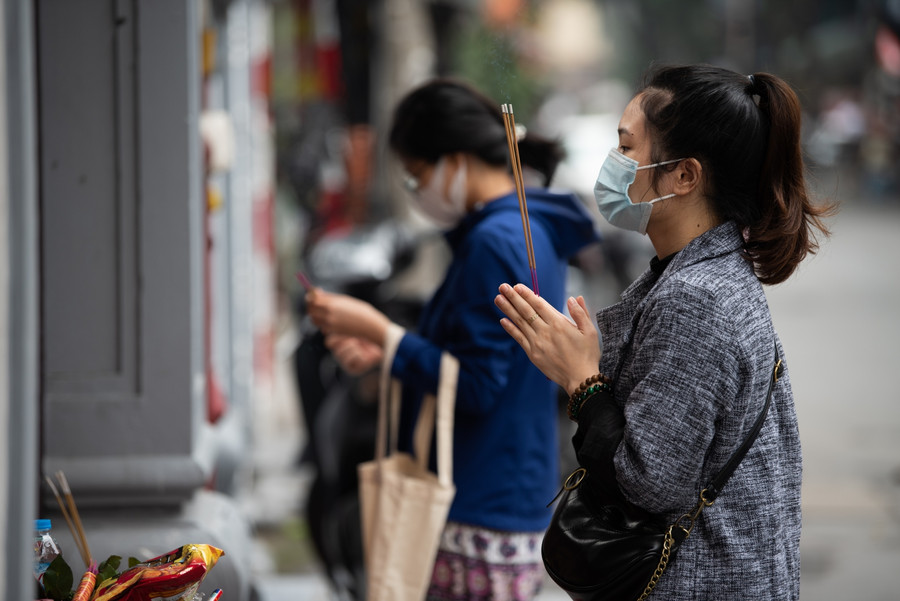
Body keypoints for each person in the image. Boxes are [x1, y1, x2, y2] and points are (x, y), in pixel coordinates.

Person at [495, 64, 834, 600]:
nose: (612, 166)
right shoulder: (702, 273)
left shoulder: (696, 298)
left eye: (626, 148)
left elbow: (650, 481)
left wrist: (582, 379)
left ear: (684, 176)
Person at [306, 78, 599, 600]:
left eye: (418, 176)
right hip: (510, 489)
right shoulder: (526, 227)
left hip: (480, 503)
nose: (418, 192)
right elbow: (491, 357)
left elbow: (478, 384)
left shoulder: (494, 240)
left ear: (455, 160)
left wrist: (382, 331)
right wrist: (386, 351)